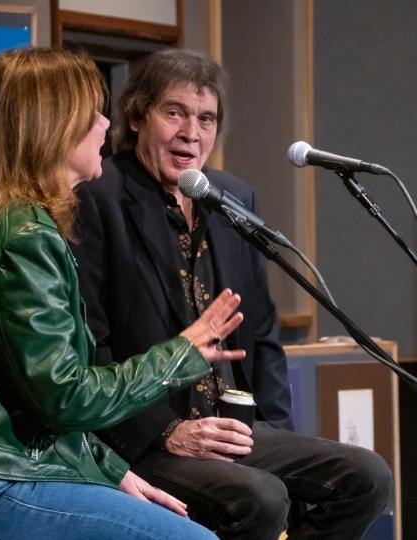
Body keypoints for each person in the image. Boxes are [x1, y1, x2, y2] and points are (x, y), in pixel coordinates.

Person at [0, 47, 247, 540]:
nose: (103, 125)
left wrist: (108, 469)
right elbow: (66, 397)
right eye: (91, 112)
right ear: (51, 125)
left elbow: (29, 397)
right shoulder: (21, 234)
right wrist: (181, 355)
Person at [72, 49, 393, 539]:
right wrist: (165, 430)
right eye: (173, 112)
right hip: (153, 437)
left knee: (367, 477)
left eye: (206, 118)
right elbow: (93, 343)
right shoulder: (100, 196)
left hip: (233, 423)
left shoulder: (232, 198)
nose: (191, 133)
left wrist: (273, 429)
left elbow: (262, 334)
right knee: (260, 497)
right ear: (137, 116)